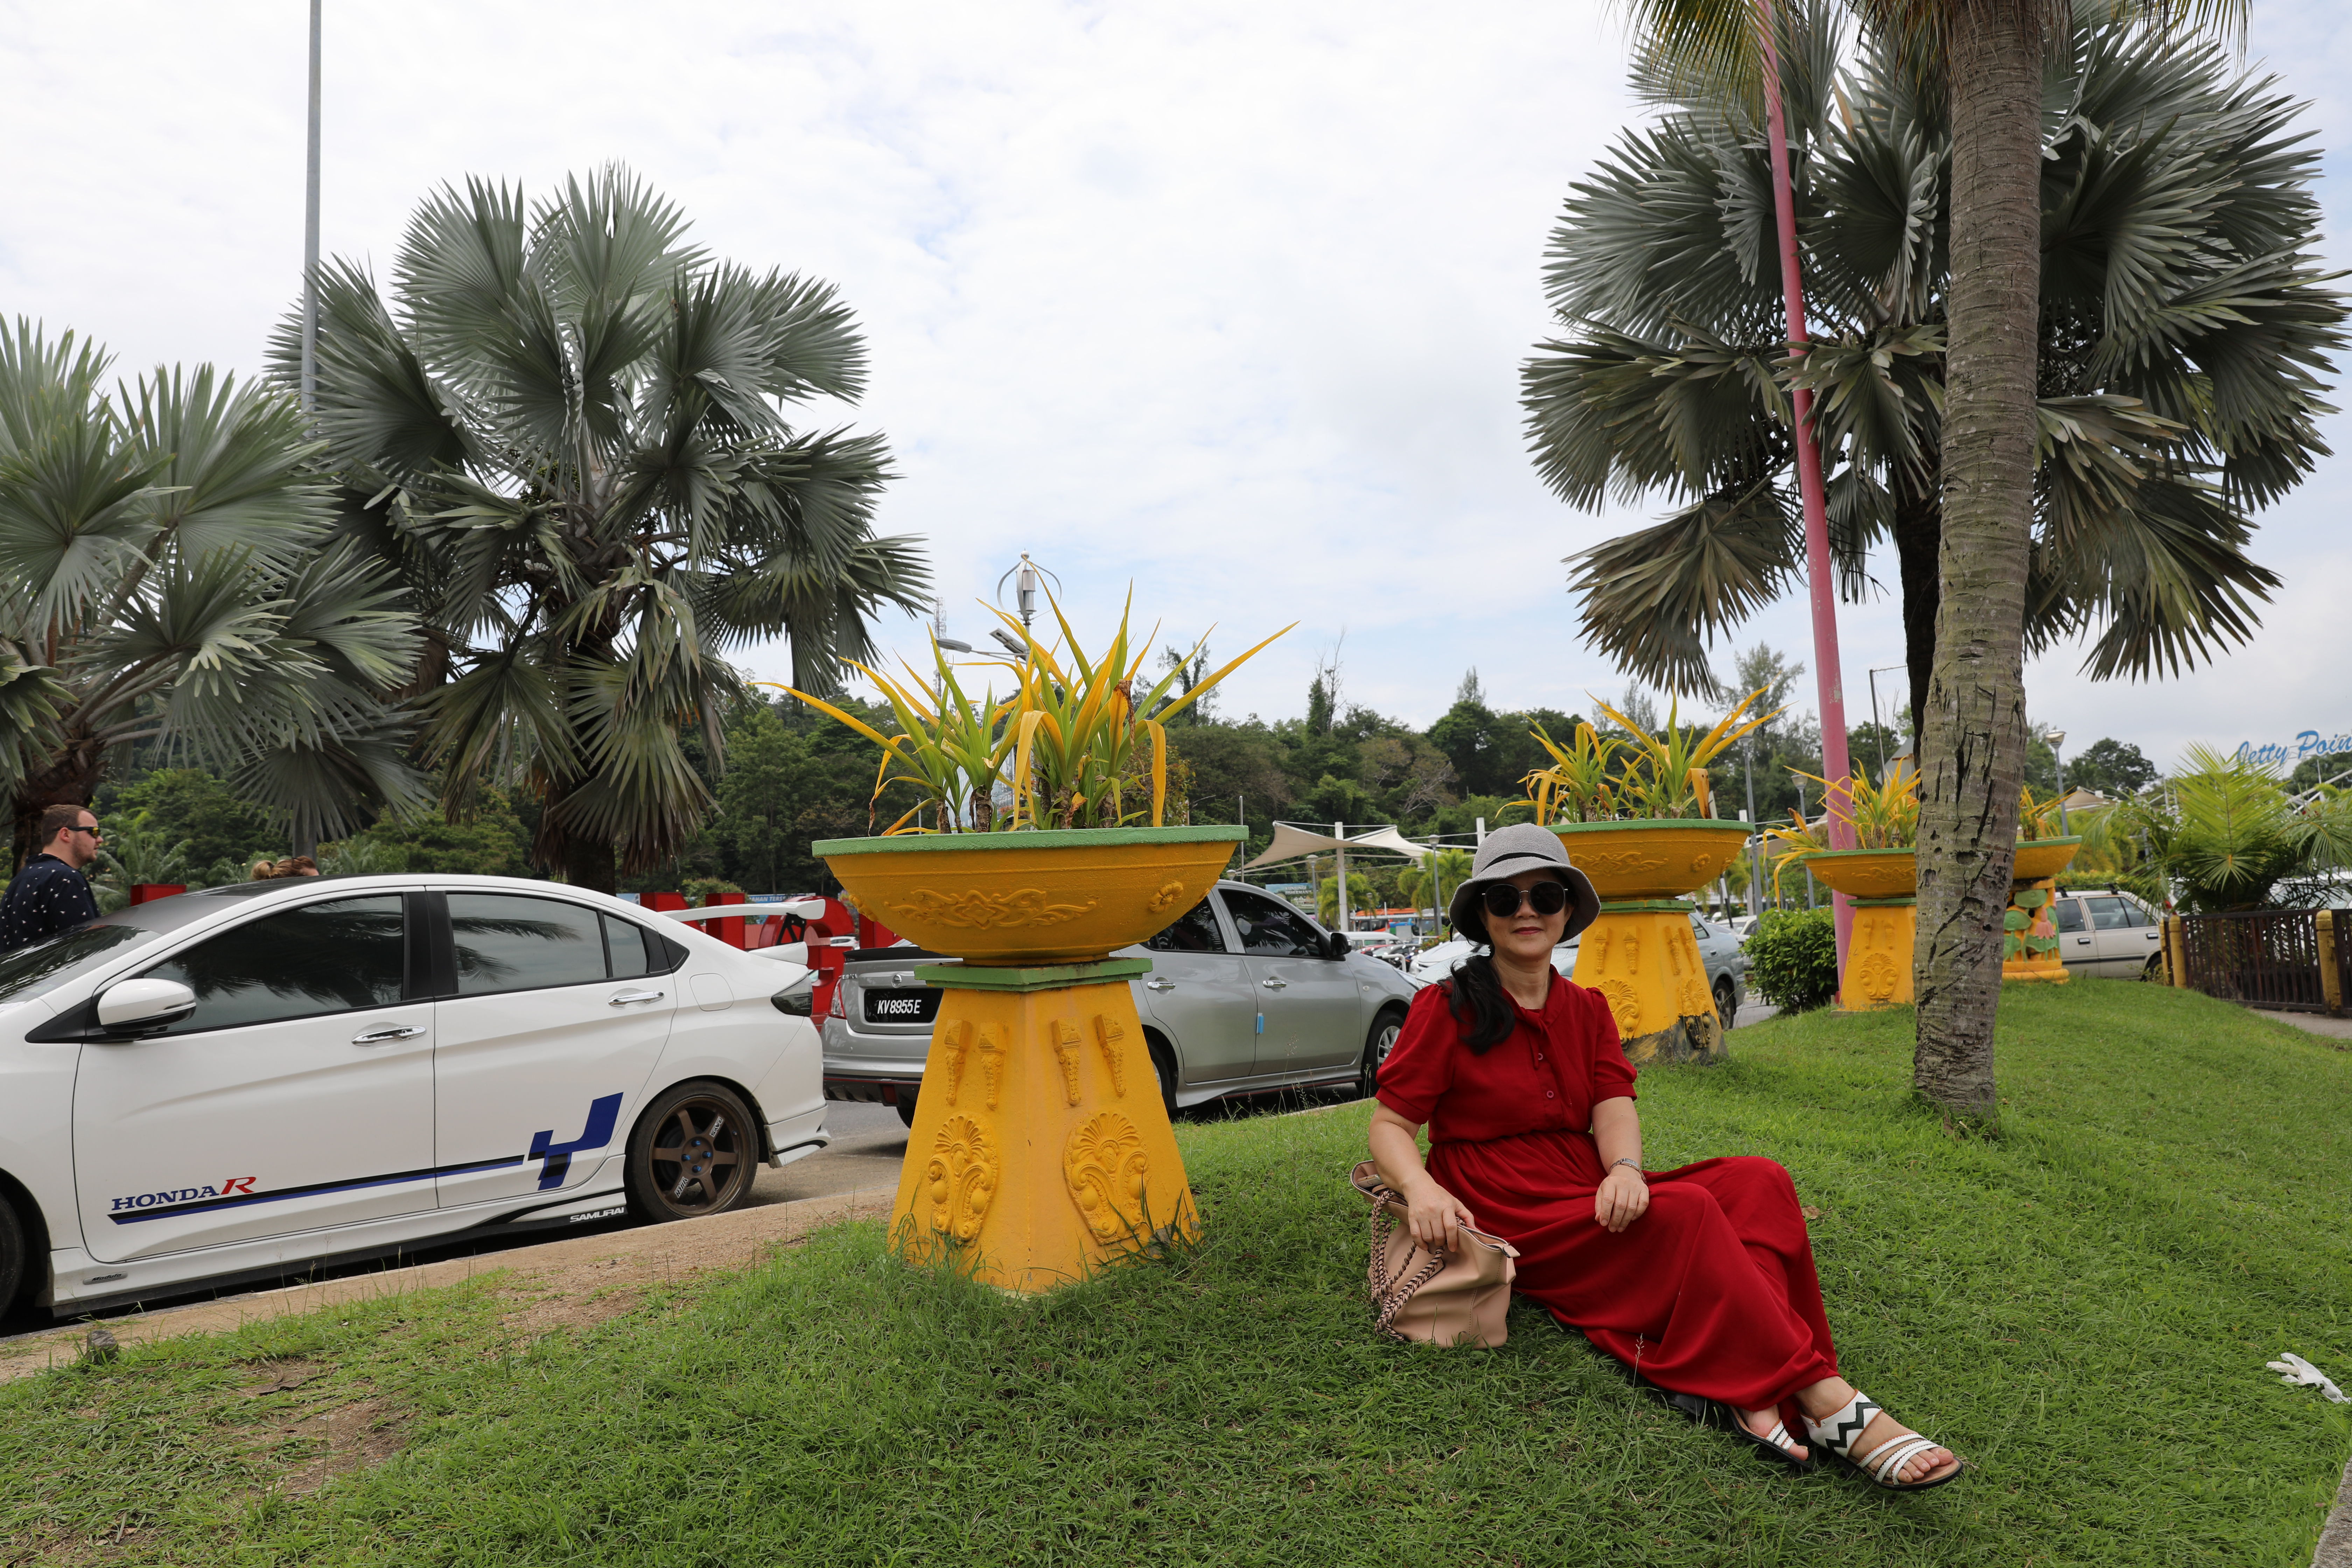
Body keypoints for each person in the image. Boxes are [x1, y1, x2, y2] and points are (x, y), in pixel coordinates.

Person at [1367, 823, 1961, 1491]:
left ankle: (1754, 1386)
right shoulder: (1445, 1009)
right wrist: (1421, 1190)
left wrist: (1623, 1169)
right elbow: (1390, 1125)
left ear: (1568, 910)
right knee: (1689, 1213)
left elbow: (1612, 1103)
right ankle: (1826, 1399)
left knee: (1757, 1181)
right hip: (1506, 1201)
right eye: (1504, 900)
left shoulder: (1587, 1007)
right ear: (1482, 914)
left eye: (1545, 895)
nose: (1526, 910)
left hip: (1582, 1179)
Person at [0, 803, 105, 954]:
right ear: (66, 834)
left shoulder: (23, 878)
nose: (100, 839)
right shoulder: (64, 878)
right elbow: (85, 950)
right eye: (94, 832)